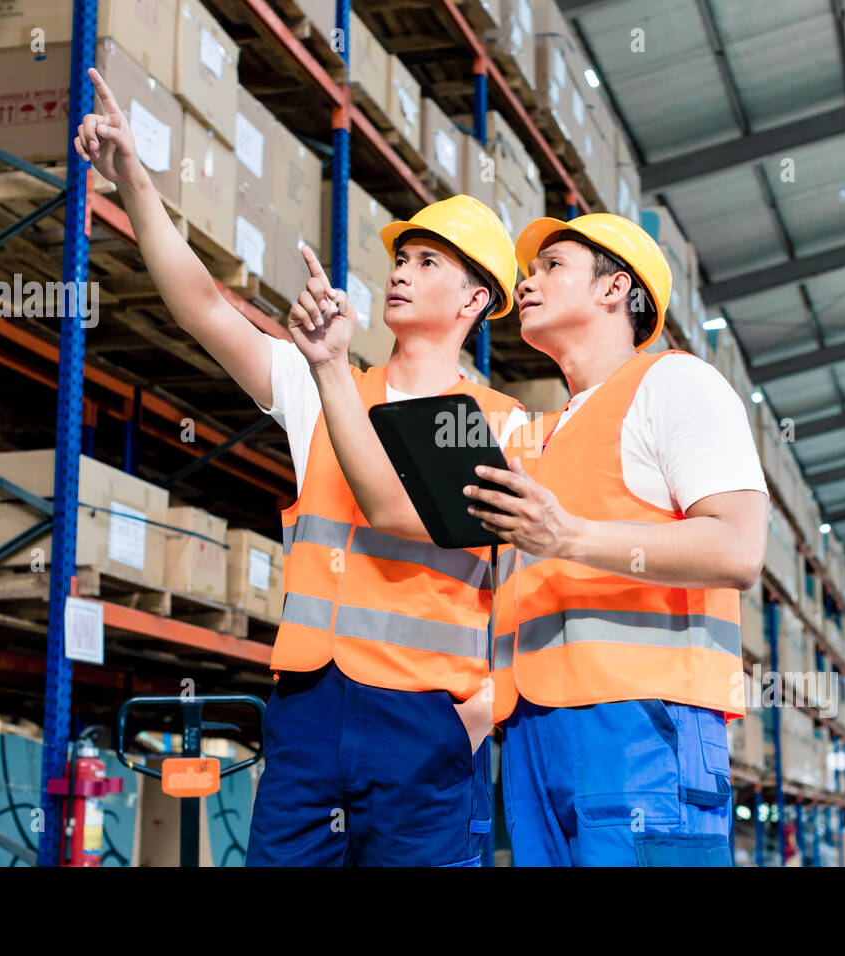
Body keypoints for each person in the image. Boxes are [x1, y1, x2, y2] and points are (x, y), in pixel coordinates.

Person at [74, 68, 527, 865]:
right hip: (310, 705)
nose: (400, 270)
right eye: (402, 257)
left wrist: (481, 712)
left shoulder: (504, 426)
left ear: (474, 301)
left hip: (427, 719)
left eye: (426, 262)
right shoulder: (326, 386)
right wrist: (136, 180)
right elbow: (205, 308)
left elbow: (526, 596)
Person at [461, 213, 770, 865]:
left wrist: (567, 535)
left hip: (643, 727)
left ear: (612, 289)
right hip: (532, 732)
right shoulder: (547, 434)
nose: (527, 282)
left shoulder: (675, 383)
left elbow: (739, 550)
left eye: (552, 267)